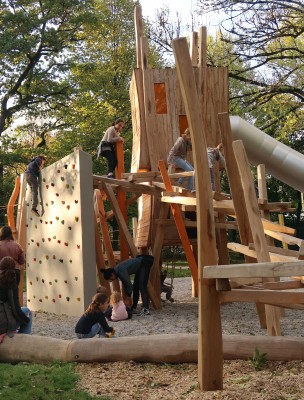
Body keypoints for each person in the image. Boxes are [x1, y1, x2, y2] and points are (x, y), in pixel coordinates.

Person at [0, 256, 32, 337]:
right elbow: (16, 310)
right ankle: (21, 340)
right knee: (28, 312)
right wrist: (27, 320)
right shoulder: (11, 285)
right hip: (3, 325)